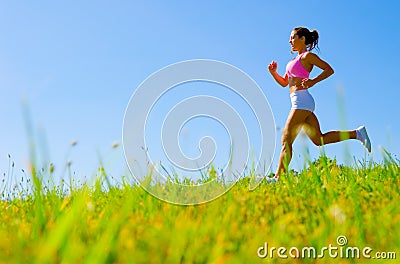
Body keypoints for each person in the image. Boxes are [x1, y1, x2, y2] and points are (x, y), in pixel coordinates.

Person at [267, 26, 371, 182]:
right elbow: (284, 83)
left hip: (301, 101)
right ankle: (357, 134)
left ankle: (277, 178)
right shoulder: (292, 62)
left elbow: (329, 69)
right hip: (301, 102)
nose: (290, 40)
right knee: (319, 140)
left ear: (302, 39)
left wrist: (313, 81)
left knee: (286, 140)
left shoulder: (307, 56)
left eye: (293, 37)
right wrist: (273, 73)